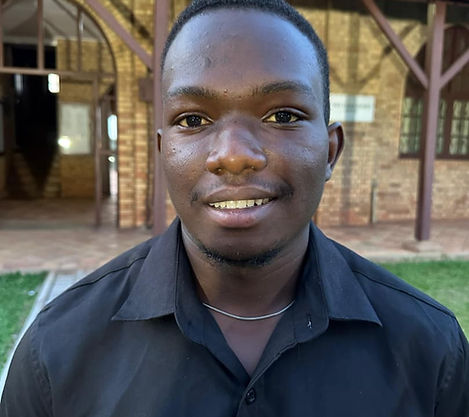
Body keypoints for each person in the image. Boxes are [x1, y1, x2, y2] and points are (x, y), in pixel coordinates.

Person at [1, 0, 468, 415]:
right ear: (162, 152)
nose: (233, 155)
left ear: (330, 151)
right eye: (193, 119)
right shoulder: (56, 353)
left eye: (282, 115)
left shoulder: (431, 352)